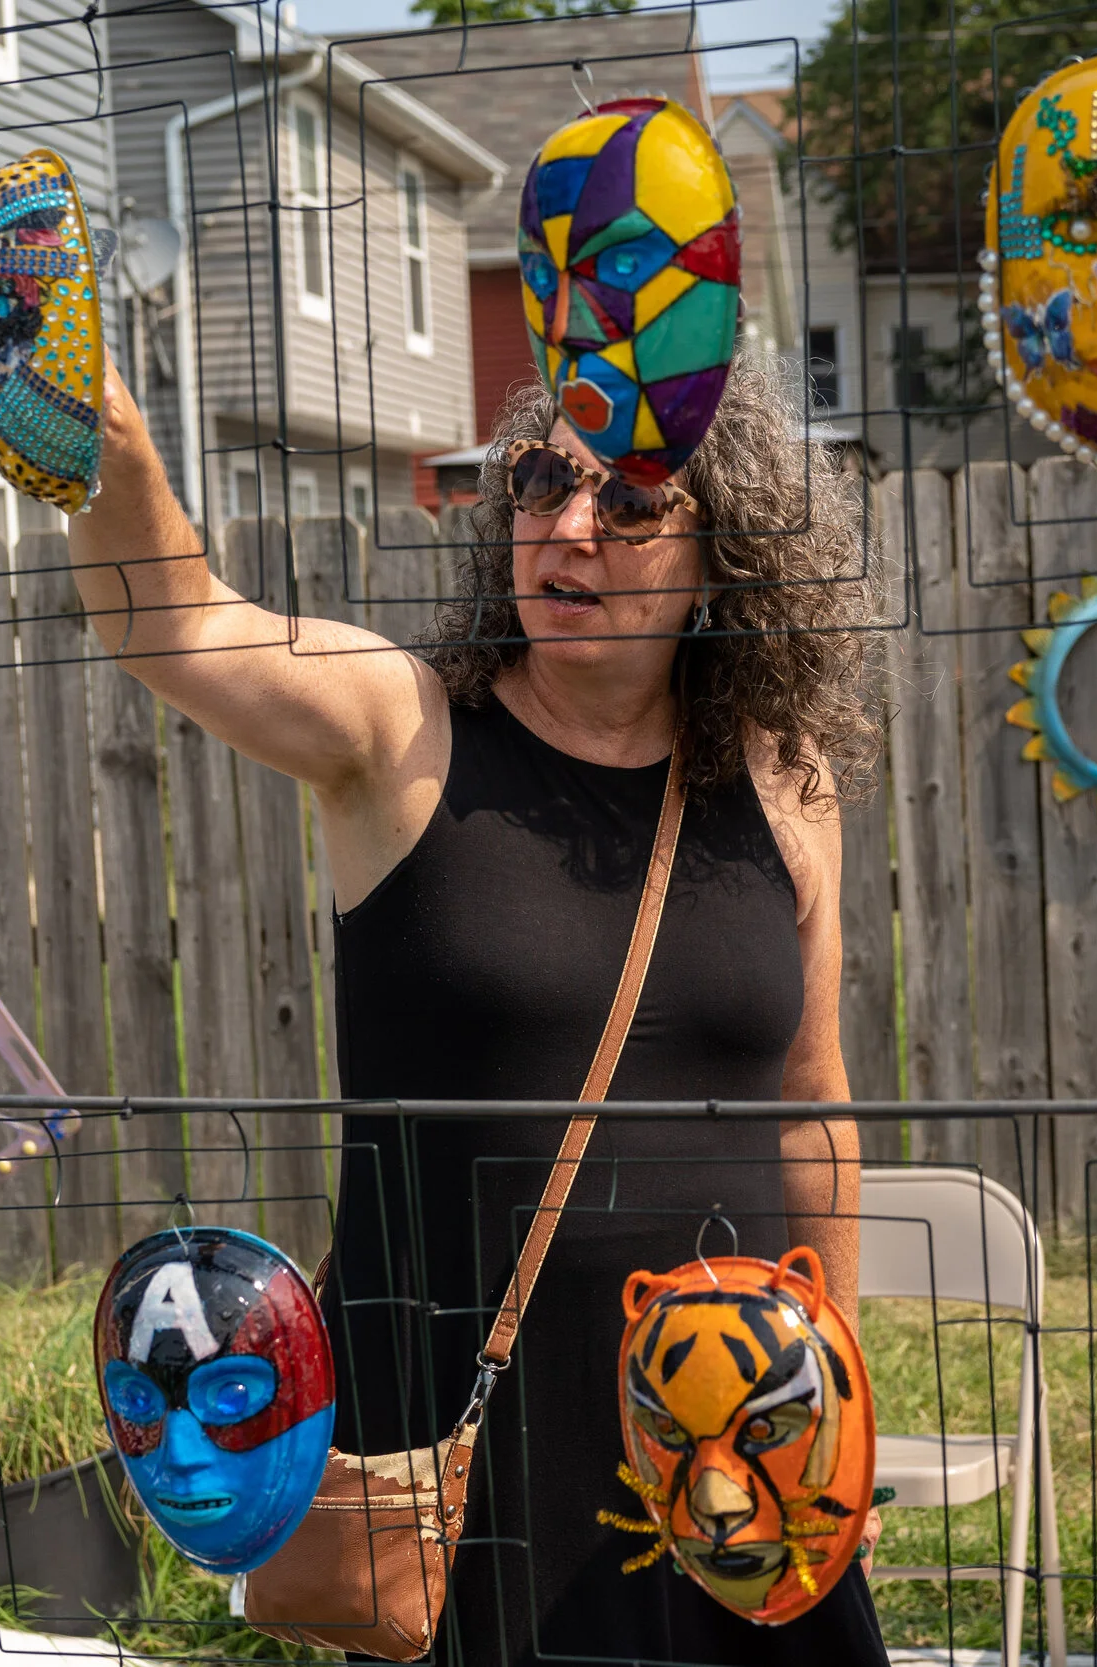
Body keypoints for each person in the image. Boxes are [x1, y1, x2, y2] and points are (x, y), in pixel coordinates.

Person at [66, 351, 890, 1665]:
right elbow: (176, 620)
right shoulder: (403, 732)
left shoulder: (784, 782)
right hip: (477, 1458)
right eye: (538, 478)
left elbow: (813, 1106)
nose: (564, 525)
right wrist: (108, 444)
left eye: (625, 499)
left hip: (721, 1451)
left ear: (723, 551)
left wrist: (833, 1415)